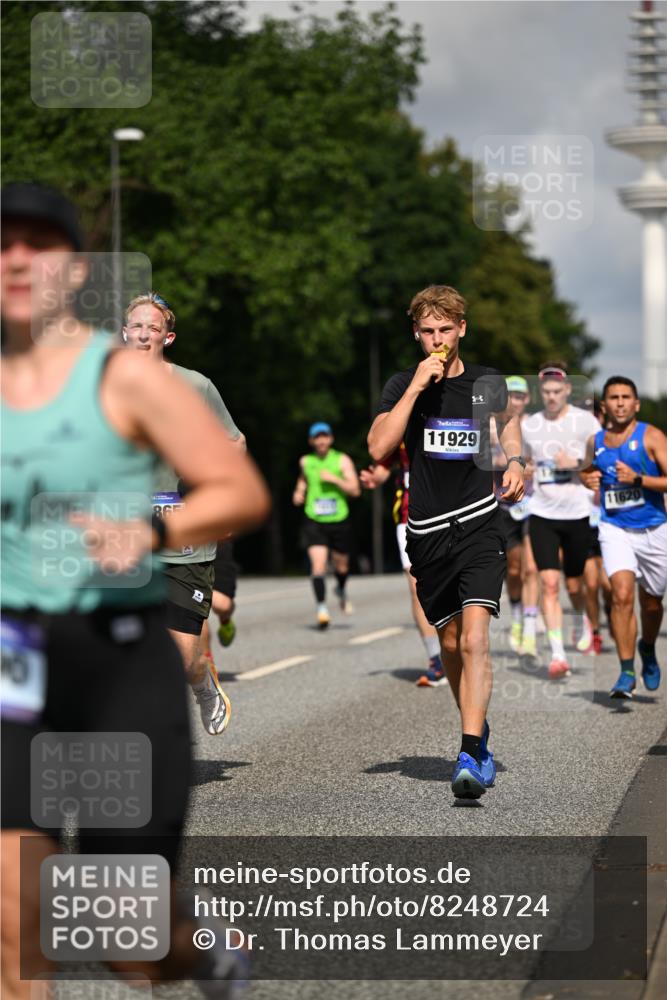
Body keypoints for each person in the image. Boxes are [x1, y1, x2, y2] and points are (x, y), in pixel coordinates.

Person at [0, 183, 270, 997]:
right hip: (16, 671)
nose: (17, 258)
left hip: (118, 663)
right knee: (16, 929)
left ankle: (201, 951)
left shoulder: (129, 378)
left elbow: (237, 490)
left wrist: (148, 534)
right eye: (3, 241)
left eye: (37, 244)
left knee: (129, 940)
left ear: (75, 271)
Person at [368, 285, 525, 800]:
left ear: (462, 329)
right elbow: (378, 447)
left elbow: (510, 428)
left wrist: (517, 462)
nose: (437, 340)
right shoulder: (402, 385)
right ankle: (479, 736)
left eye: (446, 329)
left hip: (479, 522)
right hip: (428, 532)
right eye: (428, 331)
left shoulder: (485, 382)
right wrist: (415, 389)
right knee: (453, 643)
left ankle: (470, 748)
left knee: (476, 637)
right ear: (417, 334)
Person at [123, 292, 246, 734]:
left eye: (152, 328)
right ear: (123, 333)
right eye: (136, 326)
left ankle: (203, 685)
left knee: (184, 654)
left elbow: (234, 444)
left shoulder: (195, 386)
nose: (143, 334)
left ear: (167, 337)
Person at [580, 376, 667, 698]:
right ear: (604, 406)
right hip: (614, 527)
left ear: (636, 403)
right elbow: (583, 469)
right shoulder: (596, 440)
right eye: (613, 397)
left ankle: (646, 648)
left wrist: (640, 478)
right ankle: (627, 670)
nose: (619, 402)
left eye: (625, 397)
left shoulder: (652, 436)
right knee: (621, 595)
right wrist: (587, 478)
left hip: (655, 528)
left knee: (653, 602)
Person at [521, 362, 600, 679]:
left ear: (567, 389)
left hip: (578, 513)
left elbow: (600, 459)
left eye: (557, 391)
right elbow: (524, 461)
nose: (552, 397)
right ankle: (557, 655)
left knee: (574, 583)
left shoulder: (586, 422)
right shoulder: (530, 426)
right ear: (541, 393)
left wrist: (577, 463)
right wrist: (523, 471)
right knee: (549, 584)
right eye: (547, 392)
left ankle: (581, 615)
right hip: (542, 513)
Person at [360, 443, 446, 686]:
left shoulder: (450, 411)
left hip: (449, 513)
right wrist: (375, 478)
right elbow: (384, 465)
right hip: (409, 516)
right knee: (418, 589)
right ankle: (435, 660)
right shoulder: (399, 423)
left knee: (450, 585)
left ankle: (457, 647)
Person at [292, 422, 360, 629]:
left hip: (339, 519)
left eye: (325, 436)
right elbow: (303, 480)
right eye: (317, 437)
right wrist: (298, 492)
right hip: (314, 520)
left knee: (342, 566)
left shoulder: (342, 461)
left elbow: (355, 490)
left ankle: (340, 588)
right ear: (311, 441)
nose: (321, 440)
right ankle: (322, 608)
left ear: (330, 439)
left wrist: (335, 480)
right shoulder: (306, 461)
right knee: (318, 566)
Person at [492, 376, 540, 656]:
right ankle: (519, 618)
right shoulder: (491, 424)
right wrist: (508, 463)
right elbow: (481, 457)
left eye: (520, 396)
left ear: (527, 399)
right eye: (511, 396)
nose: (516, 401)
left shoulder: (537, 425)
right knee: (513, 568)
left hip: (535, 505)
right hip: (505, 504)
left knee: (532, 568)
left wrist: (535, 467)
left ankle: (531, 630)